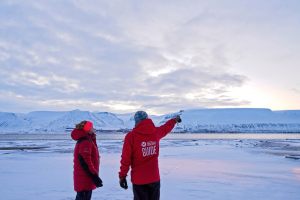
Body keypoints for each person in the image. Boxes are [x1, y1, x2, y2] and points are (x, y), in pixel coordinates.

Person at [118, 111, 182, 200]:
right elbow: (165, 128)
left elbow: (126, 159)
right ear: (147, 119)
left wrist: (122, 176)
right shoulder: (155, 132)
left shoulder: (131, 136)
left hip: (139, 180)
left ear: (136, 121)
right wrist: (174, 120)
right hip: (154, 178)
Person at [71, 120, 103, 200]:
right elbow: (85, 161)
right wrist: (94, 176)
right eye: (92, 127)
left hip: (85, 177)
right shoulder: (85, 142)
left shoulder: (87, 140)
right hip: (85, 178)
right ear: (88, 129)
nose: (93, 128)